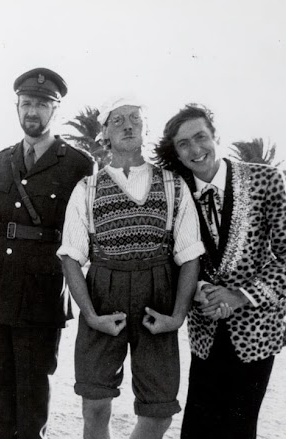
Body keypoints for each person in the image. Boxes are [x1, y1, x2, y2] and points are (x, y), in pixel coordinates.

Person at [0, 68, 93, 439]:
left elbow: (85, 232)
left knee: (32, 394)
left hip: (42, 291)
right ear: (17, 107)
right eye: (26, 104)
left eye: (41, 104)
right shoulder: (1, 160)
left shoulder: (77, 164)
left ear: (55, 109)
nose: (32, 111)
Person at [153, 104, 286, 439]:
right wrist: (198, 291)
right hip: (205, 328)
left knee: (238, 428)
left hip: (258, 329)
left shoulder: (266, 180)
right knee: (197, 428)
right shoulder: (174, 193)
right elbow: (166, 258)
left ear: (216, 135)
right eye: (183, 144)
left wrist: (241, 296)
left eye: (200, 137)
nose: (195, 149)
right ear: (175, 152)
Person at [57, 96, 204, 439]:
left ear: (146, 129)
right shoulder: (87, 188)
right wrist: (91, 315)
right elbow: (71, 257)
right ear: (105, 134)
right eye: (118, 120)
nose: (127, 126)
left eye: (135, 119)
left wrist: (177, 317)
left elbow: (190, 256)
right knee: (95, 406)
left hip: (157, 300)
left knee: (159, 412)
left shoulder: (173, 185)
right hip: (103, 296)